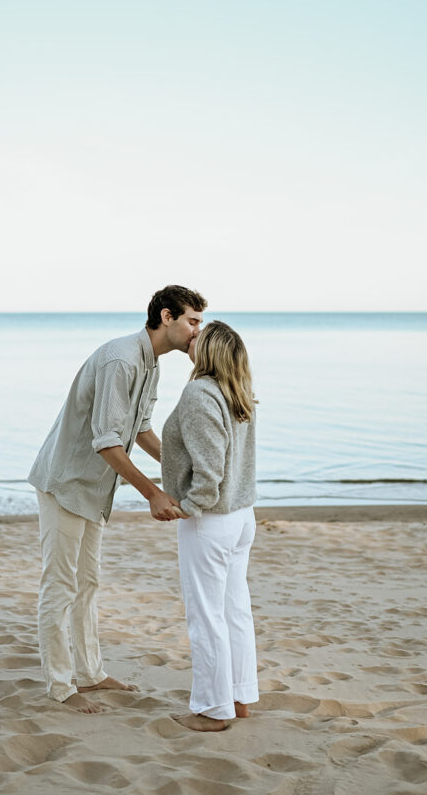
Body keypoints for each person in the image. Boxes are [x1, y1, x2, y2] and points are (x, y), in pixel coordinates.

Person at [28, 285, 208, 713]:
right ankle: (60, 686)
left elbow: (141, 429)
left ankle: (89, 675)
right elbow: (107, 442)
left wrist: (179, 471)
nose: (199, 332)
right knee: (60, 586)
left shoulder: (152, 365)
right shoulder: (121, 360)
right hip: (66, 482)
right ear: (167, 317)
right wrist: (153, 494)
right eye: (193, 322)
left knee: (88, 584)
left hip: (96, 488)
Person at [161, 320, 259, 731]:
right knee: (234, 611)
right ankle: (237, 698)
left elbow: (210, 468)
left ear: (211, 350)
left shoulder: (200, 393)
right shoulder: (238, 393)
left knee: (207, 618)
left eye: (200, 334)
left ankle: (212, 710)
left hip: (212, 519)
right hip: (240, 517)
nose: (191, 336)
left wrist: (188, 507)